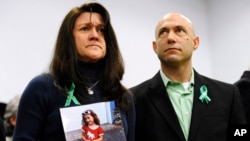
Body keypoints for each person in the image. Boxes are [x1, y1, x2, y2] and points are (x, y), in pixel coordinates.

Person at [13, 2, 135, 141]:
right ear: (69, 38)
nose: (95, 35)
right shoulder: (42, 87)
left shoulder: (123, 96)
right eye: (85, 28)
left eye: (101, 30)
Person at [130, 12, 246, 141]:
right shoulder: (132, 99)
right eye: (163, 32)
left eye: (179, 30)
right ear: (155, 47)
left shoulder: (228, 95)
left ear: (195, 42)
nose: (170, 38)